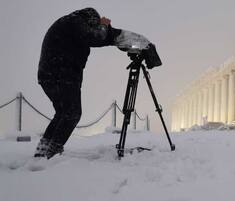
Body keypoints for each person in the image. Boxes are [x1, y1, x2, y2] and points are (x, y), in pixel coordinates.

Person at [35, 7, 150, 159]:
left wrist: (132, 41)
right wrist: (103, 25)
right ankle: (51, 153)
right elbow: (96, 38)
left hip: (50, 75)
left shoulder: (70, 24)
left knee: (63, 113)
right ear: (91, 20)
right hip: (61, 74)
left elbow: (103, 37)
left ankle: (43, 151)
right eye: (95, 25)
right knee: (72, 114)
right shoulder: (75, 21)